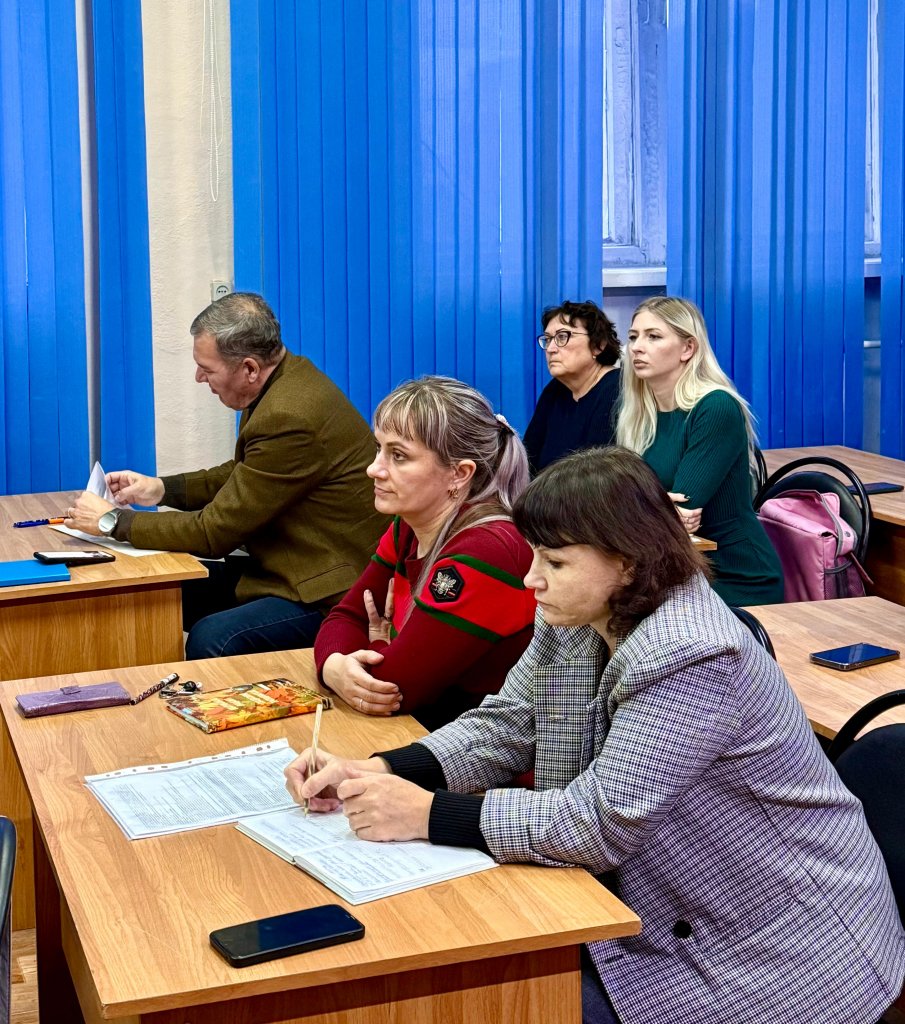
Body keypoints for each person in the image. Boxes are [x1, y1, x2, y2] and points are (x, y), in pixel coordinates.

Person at [286, 447, 905, 1024]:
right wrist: (382, 770)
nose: (532, 579)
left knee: (491, 999)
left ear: (627, 562)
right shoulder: (579, 610)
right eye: (534, 556)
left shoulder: (691, 650)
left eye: (554, 562)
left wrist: (427, 813)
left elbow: (601, 822)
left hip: (775, 950)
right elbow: (508, 723)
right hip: (662, 911)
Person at [67, 292, 387, 658]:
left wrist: (112, 521)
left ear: (249, 368)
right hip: (291, 567)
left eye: (207, 368)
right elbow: (244, 474)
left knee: (213, 637)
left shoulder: (289, 415)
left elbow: (213, 532)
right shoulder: (284, 381)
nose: (199, 377)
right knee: (150, 589)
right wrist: (160, 489)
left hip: (328, 592)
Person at [313, 376, 536, 731]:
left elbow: (393, 687)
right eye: (379, 448)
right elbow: (345, 616)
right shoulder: (409, 525)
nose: (374, 469)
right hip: (429, 731)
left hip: (478, 751)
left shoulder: (487, 550)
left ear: (459, 474)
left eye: (398, 456)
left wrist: (370, 648)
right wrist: (334, 666)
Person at [618, 295, 783, 605]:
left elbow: (681, 511)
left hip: (733, 574)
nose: (637, 347)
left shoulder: (716, 407)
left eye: (653, 337)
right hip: (674, 570)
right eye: (633, 336)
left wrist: (638, 504)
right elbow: (634, 501)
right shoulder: (640, 415)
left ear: (688, 348)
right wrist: (643, 504)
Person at [523, 300, 621, 474]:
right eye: (548, 339)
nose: (551, 349)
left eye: (562, 337)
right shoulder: (554, 390)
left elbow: (598, 474)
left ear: (598, 345)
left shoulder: (617, 388)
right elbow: (527, 461)